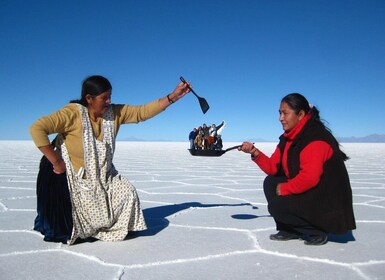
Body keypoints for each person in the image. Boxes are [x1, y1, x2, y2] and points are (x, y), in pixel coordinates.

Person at [30, 75, 191, 244]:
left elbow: (141, 112)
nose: (108, 101)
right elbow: (37, 128)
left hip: (104, 175)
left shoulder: (113, 114)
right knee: (79, 219)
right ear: (89, 98)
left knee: (127, 193)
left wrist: (173, 96)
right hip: (75, 178)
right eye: (104, 98)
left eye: (110, 96)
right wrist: (56, 162)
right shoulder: (72, 113)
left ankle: (116, 228)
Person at [238, 93, 356, 246]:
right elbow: (274, 167)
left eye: (285, 113)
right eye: (280, 113)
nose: (280, 118)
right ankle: (288, 229)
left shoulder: (315, 138)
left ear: (300, 115)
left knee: (276, 207)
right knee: (271, 182)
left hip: (326, 200)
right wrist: (254, 152)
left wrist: (286, 188)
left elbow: (310, 178)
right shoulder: (289, 137)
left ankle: (317, 231)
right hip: (312, 192)